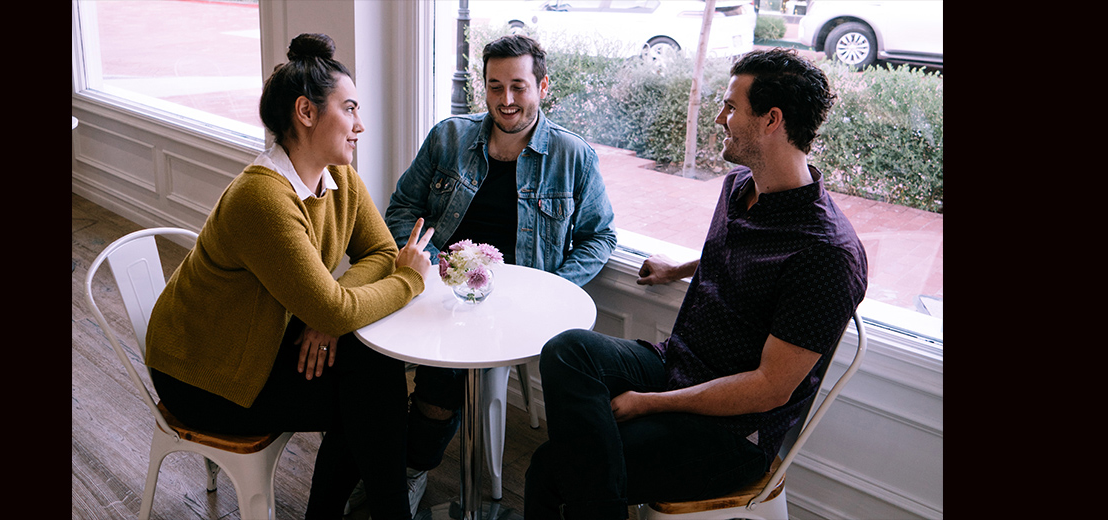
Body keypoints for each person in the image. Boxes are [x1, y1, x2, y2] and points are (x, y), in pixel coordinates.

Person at [523, 48, 869, 519]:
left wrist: (651, 404)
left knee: (551, 470)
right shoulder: (740, 187)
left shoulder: (827, 253)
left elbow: (769, 389)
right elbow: (747, 255)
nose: (720, 118)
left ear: (771, 119)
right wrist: (680, 268)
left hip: (734, 432)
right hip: (680, 363)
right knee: (567, 350)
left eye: (730, 107)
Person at [142, 33, 434, 520]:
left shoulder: (339, 177)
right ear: (306, 112)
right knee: (367, 395)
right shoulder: (262, 199)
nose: (360, 124)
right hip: (205, 373)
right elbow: (353, 294)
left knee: (370, 372)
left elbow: (380, 251)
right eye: (350, 108)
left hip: (262, 344)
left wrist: (329, 315)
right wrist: (409, 281)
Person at [347, 34, 616, 514]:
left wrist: (553, 288)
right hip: (435, 283)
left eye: (518, 86)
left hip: (516, 306)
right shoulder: (448, 137)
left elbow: (600, 236)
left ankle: (410, 468)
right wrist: (430, 266)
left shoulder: (573, 156)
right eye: (495, 86)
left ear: (542, 86)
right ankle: (373, 461)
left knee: (444, 375)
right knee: (367, 358)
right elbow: (403, 206)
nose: (506, 100)